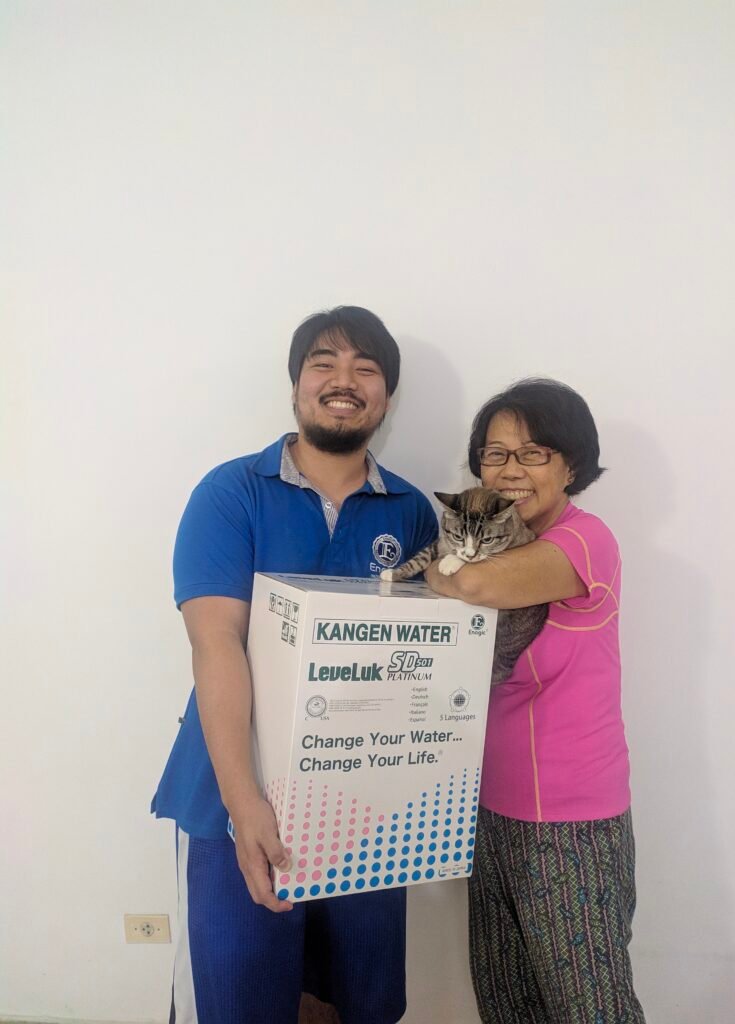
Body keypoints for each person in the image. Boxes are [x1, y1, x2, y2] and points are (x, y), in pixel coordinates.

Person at [152, 306, 438, 1024]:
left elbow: (424, 663)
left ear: (386, 397)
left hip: (366, 803)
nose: (344, 381)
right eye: (324, 363)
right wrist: (244, 802)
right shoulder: (231, 493)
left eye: (366, 369)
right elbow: (215, 643)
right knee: (240, 1002)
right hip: (234, 796)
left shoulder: (410, 512)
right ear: (295, 384)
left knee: (358, 1001)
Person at [425, 378, 645, 1024]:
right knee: (507, 1005)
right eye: (495, 455)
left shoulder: (585, 540)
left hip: (571, 825)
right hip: (487, 810)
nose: (511, 470)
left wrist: (442, 568)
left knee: (591, 1010)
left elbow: (472, 583)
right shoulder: (495, 540)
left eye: (533, 453)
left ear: (570, 465)